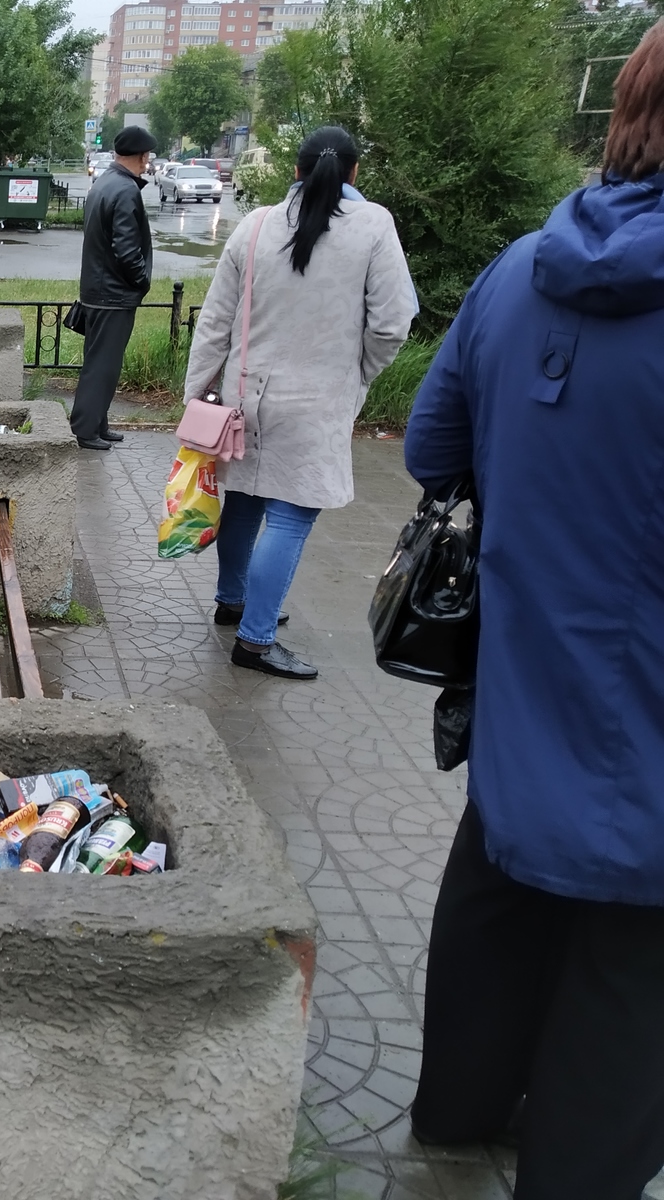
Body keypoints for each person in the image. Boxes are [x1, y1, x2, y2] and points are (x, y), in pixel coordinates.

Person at [404, 20, 664, 1199]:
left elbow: (430, 446)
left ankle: (454, 1113)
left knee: (496, 901)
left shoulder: (519, 268)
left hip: (518, 689)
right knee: (632, 977)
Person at [182, 126, 414, 679]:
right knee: (288, 519)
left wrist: (196, 395)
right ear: (353, 173)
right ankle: (255, 641)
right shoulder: (374, 226)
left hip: (244, 395)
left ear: (296, 170)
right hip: (316, 403)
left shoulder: (256, 224)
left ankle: (233, 602)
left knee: (242, 502)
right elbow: (391, 323)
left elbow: (215, 320)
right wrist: (357, 374)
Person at [71, 124, 156, 450]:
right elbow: (125, 250)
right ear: (141, 156)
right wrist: (141, 280)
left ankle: (98, 423)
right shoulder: (125, 191)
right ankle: (86, 430)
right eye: (147, 157)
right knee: (102, 366)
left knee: (101, 362)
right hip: (113, 295)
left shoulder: (104, 183)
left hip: (97, 290)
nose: (147, 163)